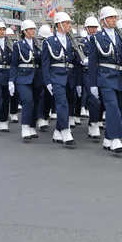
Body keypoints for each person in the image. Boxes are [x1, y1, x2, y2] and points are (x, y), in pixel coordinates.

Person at [87, 7, 122, 153]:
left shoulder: (120, 37)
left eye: (115, 18)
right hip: (104, 77)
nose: (114, 20)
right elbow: (92, 62)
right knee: (112, 108)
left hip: (119, 77)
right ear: (104, 20)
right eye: (111, 18)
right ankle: (116, 139)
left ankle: (107, 139)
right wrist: (92, 84)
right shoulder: (96, 38)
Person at [41, 12, 81, 146]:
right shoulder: (49, 42)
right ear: (59, 25)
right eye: (67, 23)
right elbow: (45, 63)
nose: (69, 25)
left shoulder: (72, 41)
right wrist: (47, 81)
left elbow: (75, 61)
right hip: (56, 76)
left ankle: (57, 132)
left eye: (70, 23)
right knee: (61, 104)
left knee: (70, 103)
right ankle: (65, 131)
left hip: (70, 76)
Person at [10, 20, 42, 141]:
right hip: (22, 77)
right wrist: (11, 81)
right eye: (30, 29)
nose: (33, 31)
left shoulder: (38, 44)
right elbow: (14, 64)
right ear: (24, 31)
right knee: (27, 100)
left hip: (37, 76)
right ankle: (25, 126)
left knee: (36, 101)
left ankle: (32, 126)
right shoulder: (18, 45)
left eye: (34, 29)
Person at [81, 16, 102, 140]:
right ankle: (93, 124)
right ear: (86, 28)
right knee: (94, 99)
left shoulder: (100, 40)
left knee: (102, 99)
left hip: (100, 72)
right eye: (91, 27)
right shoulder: (82, 42)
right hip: (87, 73)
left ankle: (97, 120)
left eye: (95, 27)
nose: (94, 30)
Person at [6, 27, 20, 124]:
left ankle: (13, 112)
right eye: (9, 36)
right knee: (4, 95)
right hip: (4, 71)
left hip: (15, 71)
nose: (10, 38)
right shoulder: (2, 45)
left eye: (11, 36)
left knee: (15, 94)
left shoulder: (16, 44)